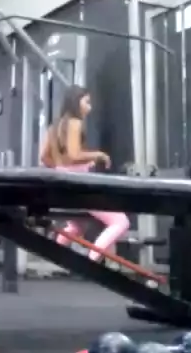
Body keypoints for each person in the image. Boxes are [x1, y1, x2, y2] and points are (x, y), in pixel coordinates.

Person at [39, 85, 129, 261]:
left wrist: (61, 168)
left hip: (62, 184)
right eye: (86, 102)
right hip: (78, 185)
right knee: (120, 222)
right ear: (76, 102)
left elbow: (44, 157)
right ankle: (92, 260)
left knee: (76, 227)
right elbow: (74, 155)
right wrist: (98, 155)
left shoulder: (54, 127)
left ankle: (54, 259)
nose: (90, 107)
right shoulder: (74, 123)